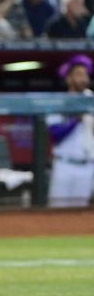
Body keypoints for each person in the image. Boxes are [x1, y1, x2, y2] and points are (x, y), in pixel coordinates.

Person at [47, 54, 94, 208]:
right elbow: (55, 134)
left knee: (79, 216)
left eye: (85, 74)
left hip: (87, 165)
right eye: (78, 74)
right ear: (68, 78)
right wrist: (76, 119)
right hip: (64, 165)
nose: (83, 79)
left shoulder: (91, 100)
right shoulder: (57, 102)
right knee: (56, 213)